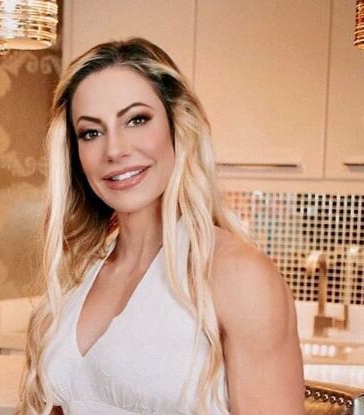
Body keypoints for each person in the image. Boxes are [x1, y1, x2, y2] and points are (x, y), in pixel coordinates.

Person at [16, 38, 304, 415]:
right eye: (91, 132)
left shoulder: (237, 275)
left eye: (137, 120)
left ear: (177, 125)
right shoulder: (80, 272)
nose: (114, 150)